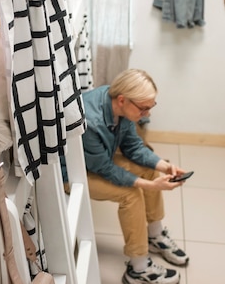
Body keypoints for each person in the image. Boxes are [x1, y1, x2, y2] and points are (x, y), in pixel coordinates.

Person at [63, 69, 189, 284]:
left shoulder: (117, 102)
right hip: (74, 173)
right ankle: (138, 269)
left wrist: (165, 167)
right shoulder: (90, 122)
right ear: (122, 100)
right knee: (131, 194)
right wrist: (149, 186)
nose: (147, 114)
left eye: (151, 107)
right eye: (144, 109)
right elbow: (105, 169)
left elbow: (133, 147)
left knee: (149, 169)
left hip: (98, 161)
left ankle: (155, 236)